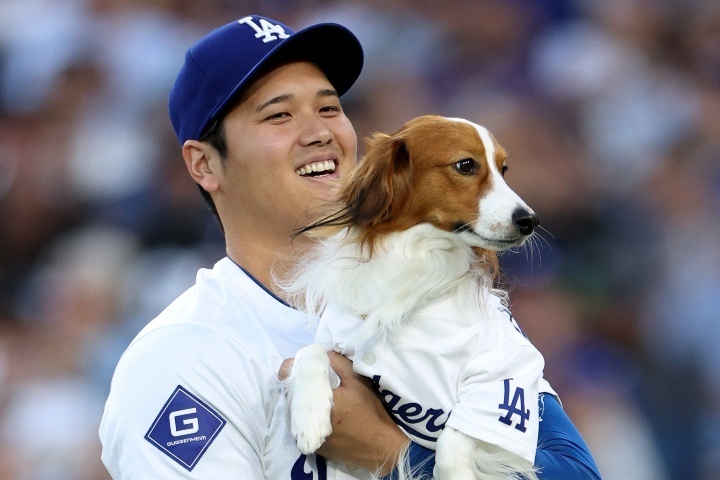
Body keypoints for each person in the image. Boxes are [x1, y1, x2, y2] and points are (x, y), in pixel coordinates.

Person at [99, 13, 602, 480]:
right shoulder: (187, 356)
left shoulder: (444, 292)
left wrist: (396, 458)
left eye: (329, 107)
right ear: (203, 164)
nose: (319, 132)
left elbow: (577, 472)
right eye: (279, 116)